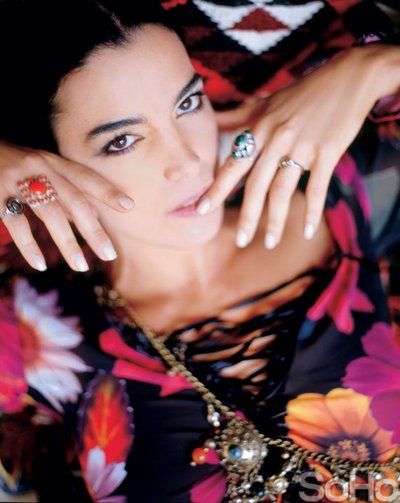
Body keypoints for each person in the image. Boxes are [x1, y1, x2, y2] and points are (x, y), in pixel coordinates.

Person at [0, 2, 399, 503]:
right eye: (122, 141)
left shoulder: (336, 193)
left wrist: (377, 64)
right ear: (42, 165)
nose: (187, 161)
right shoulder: (33, 329)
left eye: (188, 104)